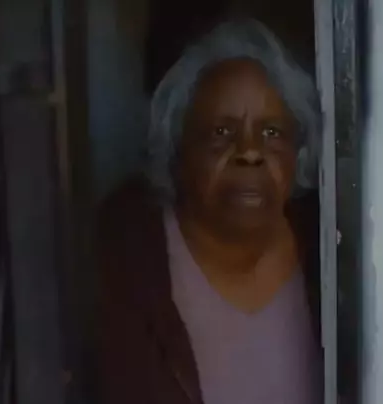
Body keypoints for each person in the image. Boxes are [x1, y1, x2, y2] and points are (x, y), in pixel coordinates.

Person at [95, 19, 323, 404]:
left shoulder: (328, 244)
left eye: (272, 132)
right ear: (178, 151)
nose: (249, 152)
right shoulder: (127, 257)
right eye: (221, 132)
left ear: (297, 154)